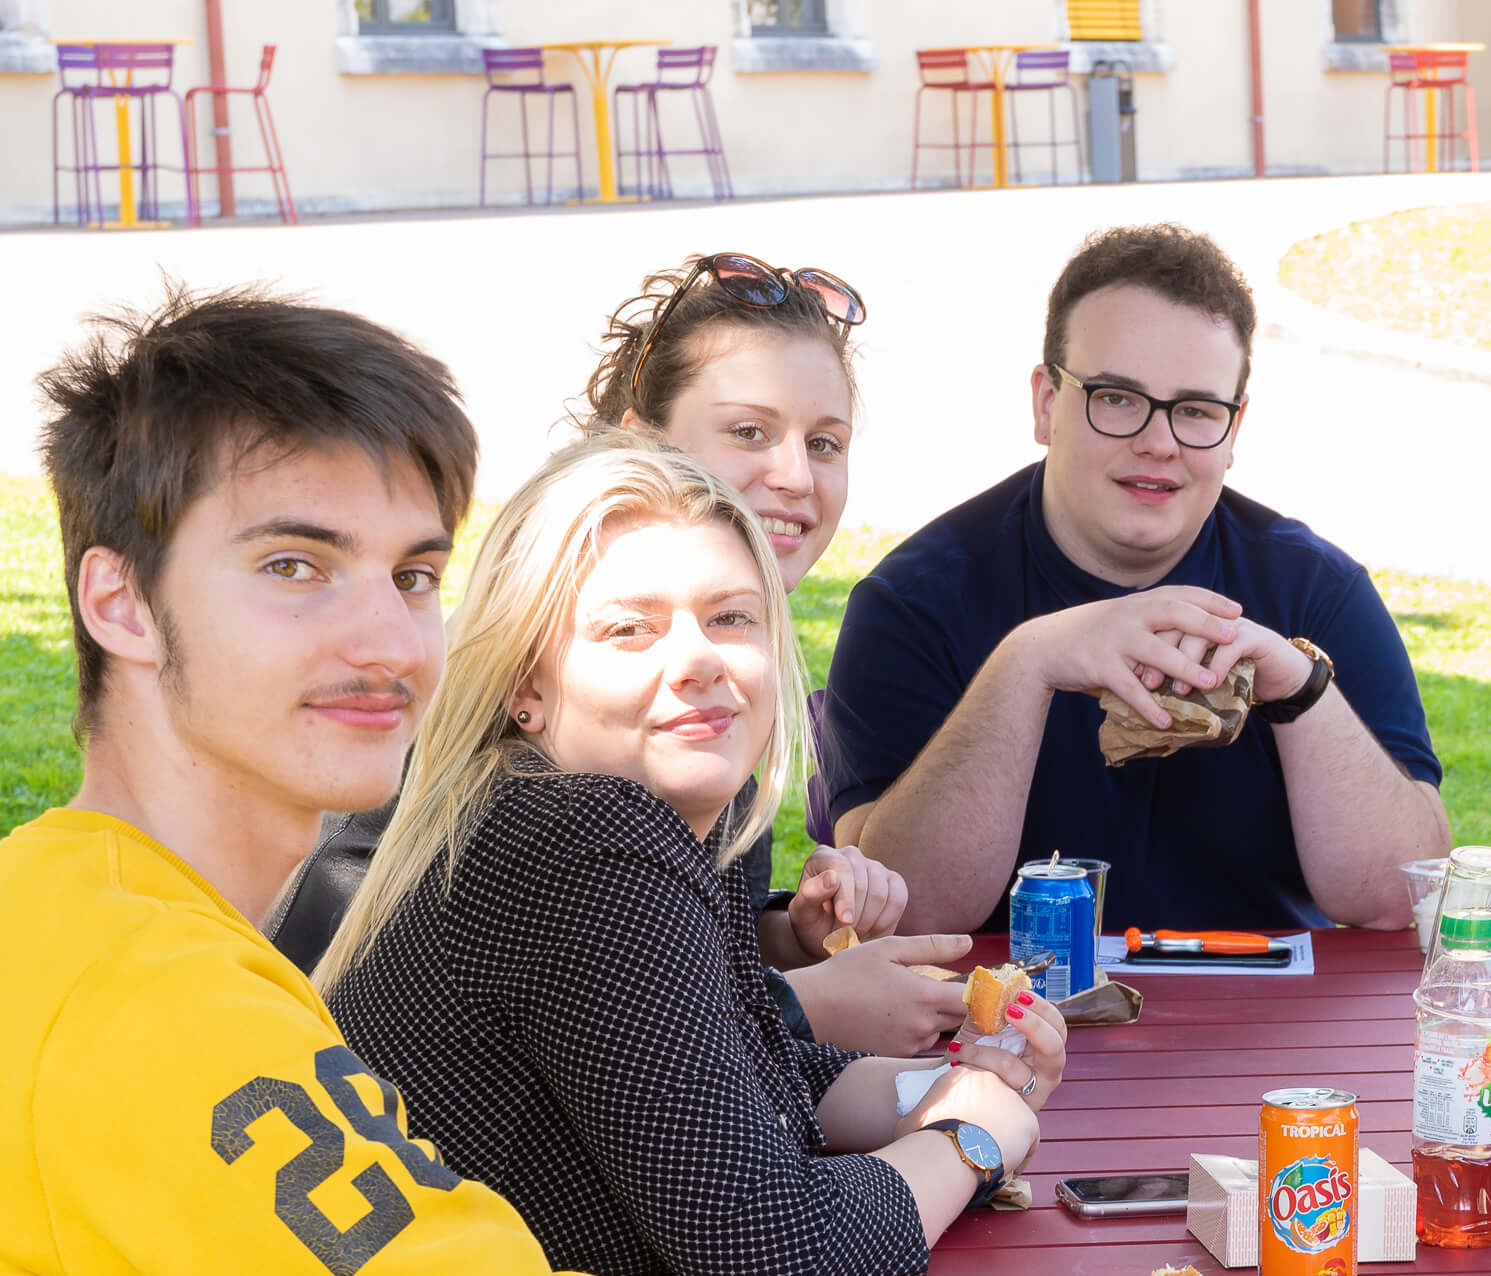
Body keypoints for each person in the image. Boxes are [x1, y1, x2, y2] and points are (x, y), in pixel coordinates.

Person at [0, 287, 1283, 1276]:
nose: (384, 641)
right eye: (295, 565)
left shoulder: (58, 918)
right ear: (118, 601)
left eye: (413, 575)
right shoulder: (171, 1025)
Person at [318, 431, 1061, 1276]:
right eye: (629, 629)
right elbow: (769, 1247)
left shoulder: (592, 810)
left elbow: (748, 1078)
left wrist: (957, 1084)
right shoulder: (589, 839)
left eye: (731, 619)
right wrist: (970, 1140)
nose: (699, 660)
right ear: (527, 687)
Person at [268, 250, 974, 1057]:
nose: (794, 476)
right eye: (750, 431)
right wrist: (798, 1005)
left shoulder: (714, 674)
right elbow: (575, 1005)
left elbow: (666, 945)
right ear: (639, 444)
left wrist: (783, 931)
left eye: (825, 443)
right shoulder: (567, 671)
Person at [822, 223, 1449, 935]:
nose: (1159, 442)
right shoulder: (912, 603)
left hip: (1272, 1024)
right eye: (1117, 398)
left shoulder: (1317, 591)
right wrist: (1024, 665)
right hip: (999, 1027)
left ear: (1235, 428)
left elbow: (1405, 899)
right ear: (1046, 403)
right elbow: (903, 916)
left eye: (1195, 411)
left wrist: (1296, 686)